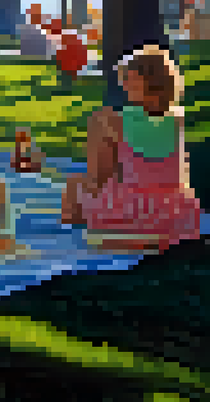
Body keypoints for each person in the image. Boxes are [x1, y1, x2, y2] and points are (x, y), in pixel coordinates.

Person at [61, 45, 203, 251]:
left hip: (131, 221)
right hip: (176, 222)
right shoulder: (177, 120)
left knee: (75, 184)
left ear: (146, 83)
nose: (123, 86)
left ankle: (69, 239)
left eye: (128, 80)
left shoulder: (108, 120)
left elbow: (98, 178)